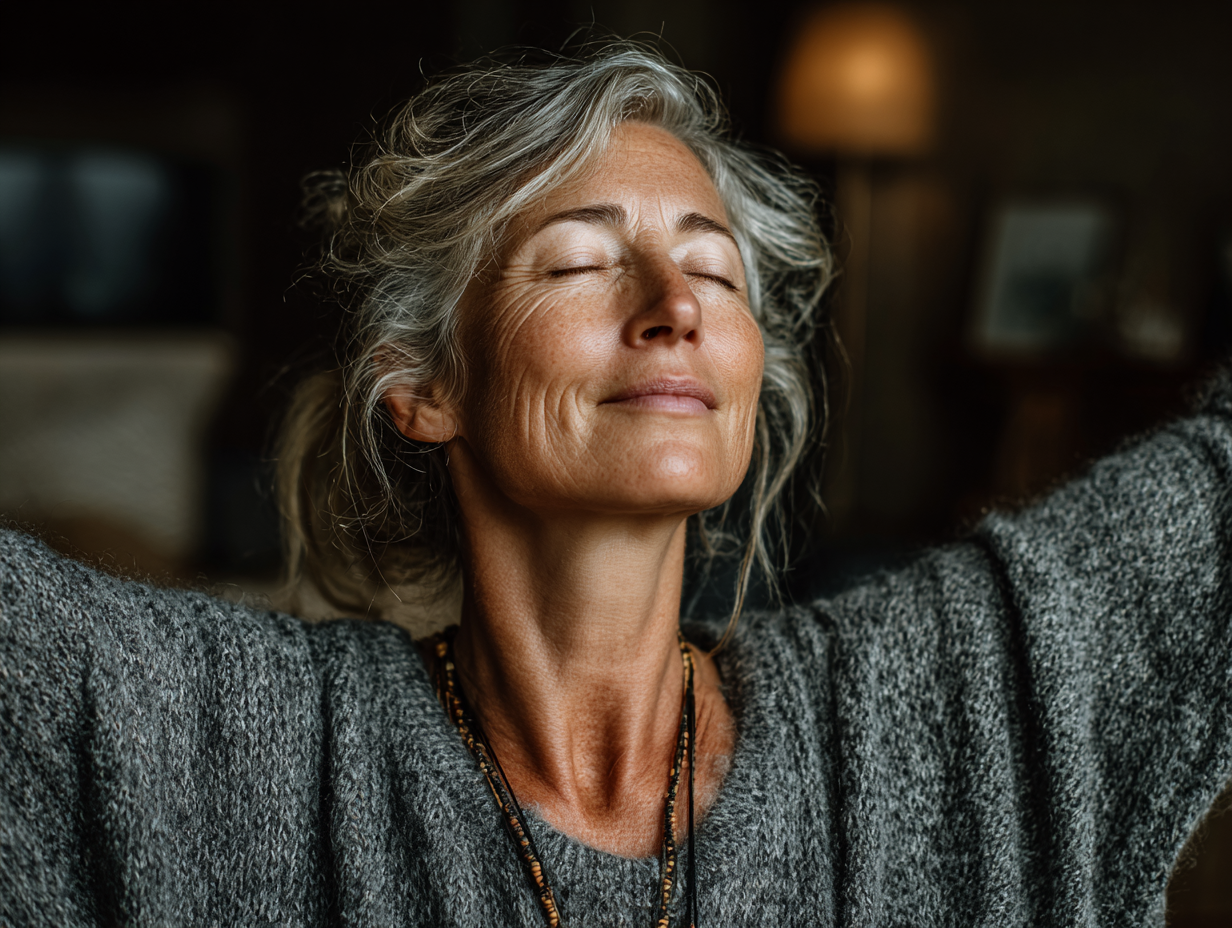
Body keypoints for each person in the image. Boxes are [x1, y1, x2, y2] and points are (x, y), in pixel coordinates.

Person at [2, 42, 1230, 928]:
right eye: (580, 261)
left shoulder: (942, 705)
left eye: (714, 272)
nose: (675, 305)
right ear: (425, 386)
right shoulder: (220, 746)